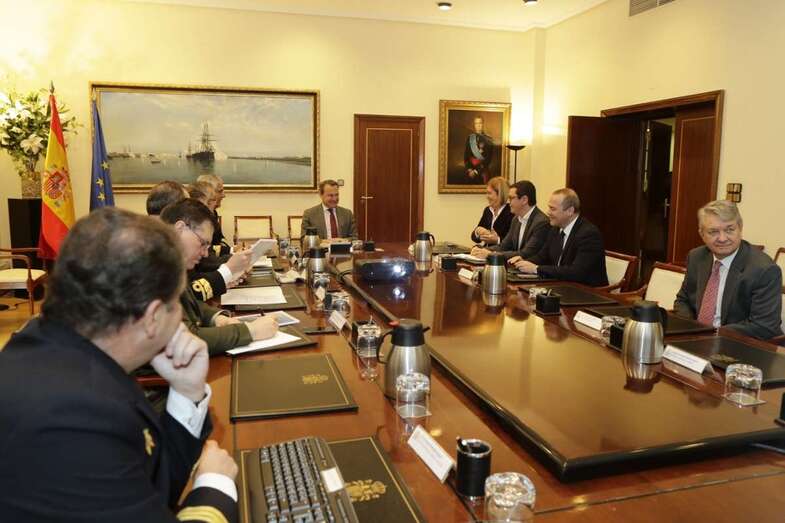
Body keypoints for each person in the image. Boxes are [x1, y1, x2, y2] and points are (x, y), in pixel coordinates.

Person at [0, 208, 238, 522]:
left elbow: (149, 485)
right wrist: (215, 486)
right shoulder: (74, 417)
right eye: (176, 304)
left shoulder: (60, 348)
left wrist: (187, 391)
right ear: (154, 317)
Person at [160, 199, 278, 355]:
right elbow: (183, 341)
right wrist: (250, 331)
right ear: (180, 228)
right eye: (203, 243)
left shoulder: (165, 261)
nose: (205, 253)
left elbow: (188, 301)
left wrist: (217, 318)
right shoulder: (151, 269)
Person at [674, 200, 782, 340]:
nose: (722, 238)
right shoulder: (697, 257)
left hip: (739, 344)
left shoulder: (764, 270)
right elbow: (683, 300)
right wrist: (691, 328)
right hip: (696, 339)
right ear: (702, 234)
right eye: (713, 232)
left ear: (740, 228)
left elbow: (764, 326)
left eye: (729, 230)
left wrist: (713, 333)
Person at [147, 181, 252, 302]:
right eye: (187, 204)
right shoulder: (149, 251)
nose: (192, 208)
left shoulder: (169, 245)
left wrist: (217, 316)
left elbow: (190, 284)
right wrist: (227, 272)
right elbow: (182, 299)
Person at [512, 188, 609, 286]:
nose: (548, 212)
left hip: (588, 293)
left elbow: (577, 272)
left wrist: (536, 269)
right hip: (561, 286)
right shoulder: (555, 229)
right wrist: (523, 262)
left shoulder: (588, 234)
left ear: (570, 211)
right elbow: (542, 256)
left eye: (552, 208)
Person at [472, 180, 549, 261]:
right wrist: (482, 250)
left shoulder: (541, 222)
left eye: (511, 198)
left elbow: (526, 253)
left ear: (524, 200)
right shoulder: (516, 219)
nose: (509, 202)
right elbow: (504, 246)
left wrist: (491, 254)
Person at [470, 176, 513, 246]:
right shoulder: (488, 211)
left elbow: (513, 242)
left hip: (500, 255)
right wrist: (477, 232)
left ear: (500, 194)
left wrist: (497, 240)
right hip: (485, 253)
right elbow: (474, 238)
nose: (487, 196)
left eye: (489, 193)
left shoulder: (511, 212)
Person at [196, 174, 231, 255]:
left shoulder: (213, 212)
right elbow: (205, 248)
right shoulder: (197, 216)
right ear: (208, 192)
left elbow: (219, 239)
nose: (224, 195)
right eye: (220, 191)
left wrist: (234, 250)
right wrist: (231, 251)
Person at [464, 116, 495, 184]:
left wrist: (476, 171)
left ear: (483, 124)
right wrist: (470, 170)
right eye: (476, 123)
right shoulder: (470, 138)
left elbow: (488, 159)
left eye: (480, 123)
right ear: (474, 125)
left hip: (482, 171)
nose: (478, 125)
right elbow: (466, 157)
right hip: (470, 171)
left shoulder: (488, 139)